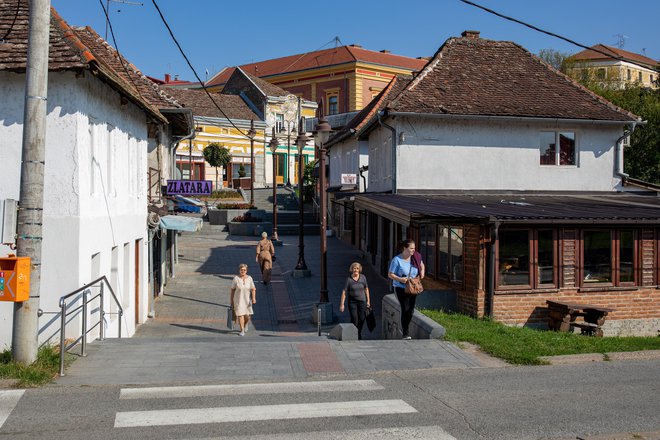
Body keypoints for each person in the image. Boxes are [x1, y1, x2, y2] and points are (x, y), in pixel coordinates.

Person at [388, 239, 420, 340]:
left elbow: (421, 264)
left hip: (413, 287)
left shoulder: (415, 257)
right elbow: (390, 274)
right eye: (411, 248)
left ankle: (406, 327)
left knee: (411, 311)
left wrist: (422, 272)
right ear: (405, 248)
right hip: (400, 287)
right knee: (405, 308)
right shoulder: (397, 260)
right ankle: (405, 333)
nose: (413, 250)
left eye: (414, 248)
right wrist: (400, 279)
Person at [339, 262, 371, 340]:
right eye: (354, 268)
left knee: (362, 318)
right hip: (352, 302)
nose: (355, 270)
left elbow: (366, 289)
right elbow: (344, 292)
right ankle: (355, 333)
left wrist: (368, 301)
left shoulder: (363, 277)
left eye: (357, 268)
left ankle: (358, 331)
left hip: (362, 301)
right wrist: (342, 304)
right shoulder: (349, 280)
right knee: (354, 319)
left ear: (359, 269)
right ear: (351, 269)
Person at [230, 263, 256, 336]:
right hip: (238, 300)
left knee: (247, 316)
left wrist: (253, 298)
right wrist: (231, 301)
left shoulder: (249, 278)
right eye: (241, 270)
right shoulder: (236, 278)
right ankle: (242, 330)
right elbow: (232, 290)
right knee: (240, 315)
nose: (243, 271)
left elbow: (253, 289)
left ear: (246, 271)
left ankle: (245, 324)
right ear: (239, 270)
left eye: (244, 270)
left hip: (247, 300)